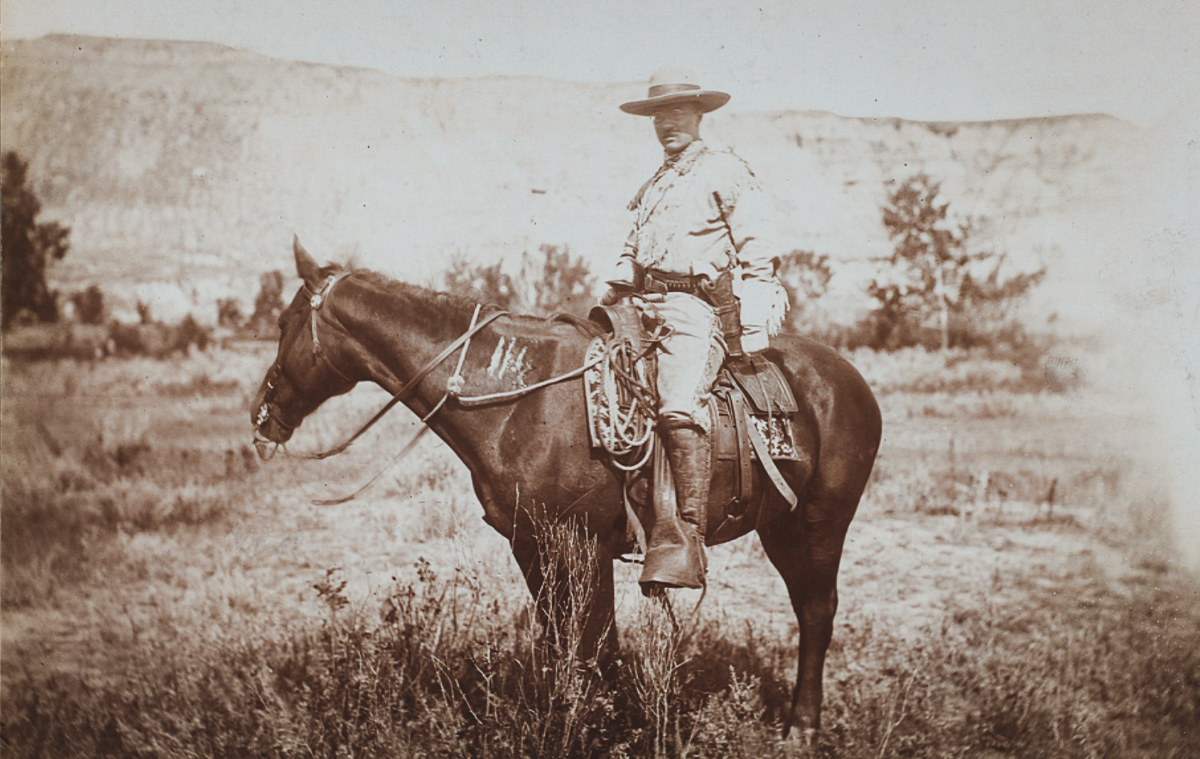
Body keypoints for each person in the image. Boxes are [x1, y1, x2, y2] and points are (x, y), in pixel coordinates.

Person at [602, 68, 789, 590]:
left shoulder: (726, 171)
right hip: (641, 303)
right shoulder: (657, 181)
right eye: (660, 116)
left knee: (678, 404)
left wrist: (754, 320)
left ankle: (683, 536)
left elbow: (757, 249)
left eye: (679, 114)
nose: (668, 125)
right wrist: (620, 278)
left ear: (700, 116)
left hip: (693, 309)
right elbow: (632, 242)